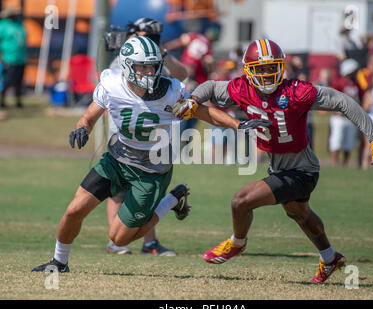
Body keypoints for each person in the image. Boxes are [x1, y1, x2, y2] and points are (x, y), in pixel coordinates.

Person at [31, 36, 268, 272]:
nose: (148, 71)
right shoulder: (112, 84)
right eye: (142, 66)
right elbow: (89, 116)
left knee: (119, 239)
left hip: (151, 171)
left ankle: (172, 200)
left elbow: (204, 112)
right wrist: (82, 129)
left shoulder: (170, 91)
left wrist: (238, 125)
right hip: (117, 159)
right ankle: (59, 262)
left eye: (152, 65)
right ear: (126, 66)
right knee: (74, 210)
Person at [173, 38, 373, 283]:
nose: (268, 74)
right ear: (248, 70)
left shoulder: (296, 91)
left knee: (241, 201)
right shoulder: (241, 88)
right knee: (299, 212)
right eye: (260, 69)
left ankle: (237, 243)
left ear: (281, 67)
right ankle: (329, 257)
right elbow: (208, 86)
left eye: (272, 67)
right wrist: (194, 99)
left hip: (302, 169)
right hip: (279, 167)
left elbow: (341, 101)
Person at [106, 18, 188, 255]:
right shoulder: (123, 59)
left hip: (153, 138)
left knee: (145, 194)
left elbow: (183, 75)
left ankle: (149, 243)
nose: (147, 41)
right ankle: (116, 241)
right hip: (123, 136)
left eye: (151, 37)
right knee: (119, 191)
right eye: (142, 36)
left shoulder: (156, 60)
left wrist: (160, 51)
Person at [329, 59, 361, 167]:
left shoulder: (356, 83)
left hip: (351, 117)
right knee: (337, 141)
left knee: (349, 142)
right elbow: (331, 98)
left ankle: (345, 165)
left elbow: (360, 97)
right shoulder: (339, 82)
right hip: (339, 117)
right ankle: (335, 164)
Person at [0, 7, 27, 109]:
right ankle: (2, 101)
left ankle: (18, 102)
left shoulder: (19, 25)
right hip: (8, 58)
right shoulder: (3, 26)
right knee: (7, 81)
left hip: (20, 58)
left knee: (19, 82)